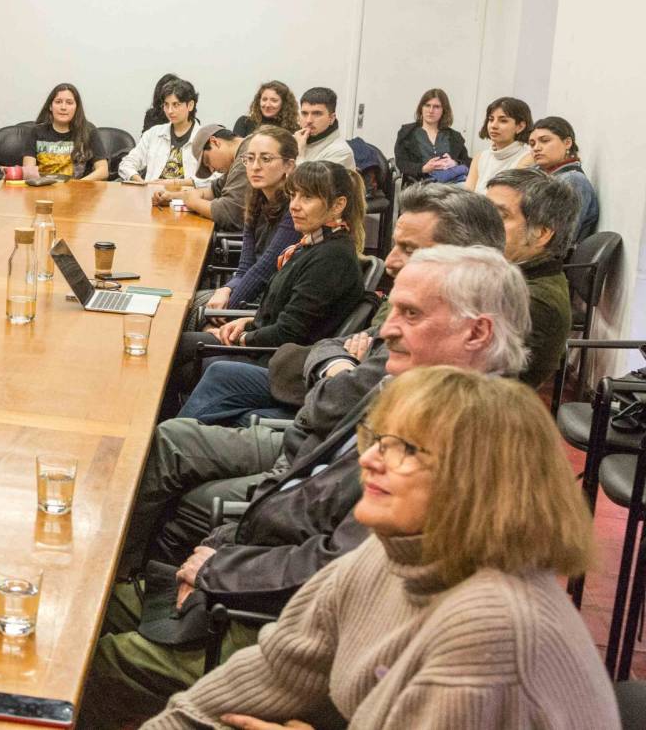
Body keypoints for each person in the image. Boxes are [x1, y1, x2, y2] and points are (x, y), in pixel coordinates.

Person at [94, 246, 531, 720]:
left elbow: (338, 567)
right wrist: (218, 550)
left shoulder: (466, 444)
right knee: (88, 604)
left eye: (410, 314)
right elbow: (291, 482)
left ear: (476, 332)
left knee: (89, 659)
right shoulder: (405, 391)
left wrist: (217, 572)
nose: (386, 330)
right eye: (392, 310)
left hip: (275, 623)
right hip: (251, 579)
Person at [141, 367, 614, 730]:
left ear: (475, 480)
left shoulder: (490, 633)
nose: (368, 459)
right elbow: (277, 669)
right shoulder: (387, 553)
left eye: (404, 448)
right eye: (378, 440)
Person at [178, 184, 506, 429]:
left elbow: (341, 397)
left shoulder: (442, 329)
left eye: (409, 249)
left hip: (312, 419)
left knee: (178, 431)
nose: (391, 262)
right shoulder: (308, 247)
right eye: (293, 196)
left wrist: (248, 334)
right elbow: (335, 345)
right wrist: (337, 360)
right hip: (309, 388)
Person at [168, 161, 366, 401]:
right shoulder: (312, 244)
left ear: (338, 205)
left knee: (169, 363)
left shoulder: (332, 258)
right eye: (293, 195)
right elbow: (285, 312)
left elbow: (290, 333)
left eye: (307, 197)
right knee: (169, 343)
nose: (294, 205)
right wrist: (248, 321)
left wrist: (244, 337)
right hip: (263, 343)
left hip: (274, 361)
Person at [485, 168, 578, 389]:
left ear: (541, 233)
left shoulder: (534, 300)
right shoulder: (507, 271)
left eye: (501, 216)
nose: (484, 223)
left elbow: (485, 384)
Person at [194, 127, 299, 316]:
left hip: (272, 304)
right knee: (186, 302)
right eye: (250, 159)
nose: (255, 166)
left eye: (266, 159)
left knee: (190, 311)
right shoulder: (256, 199)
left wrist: (223, 314)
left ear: (289, 166)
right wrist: (225, 289)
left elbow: (263, 272)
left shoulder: (295, 209)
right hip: (249, 293)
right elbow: (244, 268)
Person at [156, 124, 248, 229]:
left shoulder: (247, 157)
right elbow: (214, 190)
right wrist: (171, 196)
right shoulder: (239, 156)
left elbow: (228, 214)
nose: (212, 170)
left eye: (207, 161)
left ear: (214, 142)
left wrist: (194, 203)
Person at [528, 115, 600, 242]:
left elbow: (559, 239)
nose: (536, 148)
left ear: (567, 143)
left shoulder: (573, 181)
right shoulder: (535, 174)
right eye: (532, 144)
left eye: (545, 141)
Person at [25, 82, 111, 182]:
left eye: (69, 103)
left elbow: (103, 171)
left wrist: (77, 185)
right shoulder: (36, 132)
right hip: (44, 188)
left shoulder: (88, 131)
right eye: (58, 102)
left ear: (76, 107)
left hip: (78, 189)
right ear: (50, 106)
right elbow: (28, 172)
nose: (63, 107)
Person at [122, 79, 201, 183]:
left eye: (176, 105)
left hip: (187, 192)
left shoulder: (204, 138)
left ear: (190, 105)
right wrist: (140, 181)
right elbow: (126, 164)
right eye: (166, 105)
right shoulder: (153, 133)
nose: (170, 111)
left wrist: (178, 183)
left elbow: (215, 178)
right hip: (152, 191)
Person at [393, 87, 469, 184]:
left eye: (436, 107)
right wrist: (423, 168)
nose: (431, 110)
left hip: (452, 184)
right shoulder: (407, 133)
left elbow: (468, 162)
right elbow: (401, 163)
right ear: (421, 108)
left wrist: (455, 163)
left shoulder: (454, 137)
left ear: (444, 110)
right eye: (427, 105)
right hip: (420, 185)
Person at [464, 95, 534, 193]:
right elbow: (466, 195)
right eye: (491, 119)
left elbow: (507, 197)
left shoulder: (528, 157)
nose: (493, 125)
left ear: (520, 127)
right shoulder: (480, 157)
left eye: (503, 121)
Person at [293, 87, 356, 170]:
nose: (309, 120)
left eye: (317, 114)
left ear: (331, 118)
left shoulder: (341, 152)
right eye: (304, 113)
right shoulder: (296, 140)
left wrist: (300, 153)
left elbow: (306, 179)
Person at [232, 80, 298, 138]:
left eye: (274, 100)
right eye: (264, 99)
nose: (267, 105)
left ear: (284, 103)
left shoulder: (294, 129)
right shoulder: (244, 123)